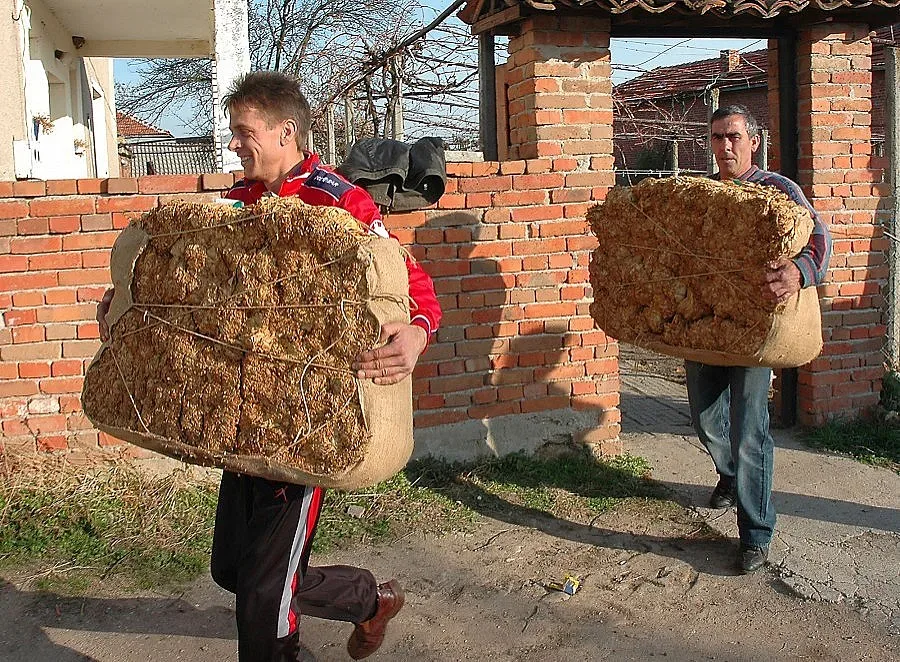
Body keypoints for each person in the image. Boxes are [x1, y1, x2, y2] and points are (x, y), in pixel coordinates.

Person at [97, 71, 442, 661]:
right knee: (234, 570)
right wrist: (128, 303)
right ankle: (369, 600)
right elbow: (192, 293)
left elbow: (413, 286)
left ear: (286, 132)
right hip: (243, 418)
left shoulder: (338, 204)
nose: (233, 143)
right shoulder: (236, 207)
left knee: (263, 597)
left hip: (310, 424)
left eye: (243, 132)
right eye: (233, 131)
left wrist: (416, 331)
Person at [686, 104, 832, 574]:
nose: (724, 146)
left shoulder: (778, 190)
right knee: (706, 418)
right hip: (707, 326)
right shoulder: (702, 192)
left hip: (756, 331)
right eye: (716, 137)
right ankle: (730, 477)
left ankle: (755, 535)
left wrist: (799, 270)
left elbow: (819, 239)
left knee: (751, 431)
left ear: (753, 141)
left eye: (732, 137)